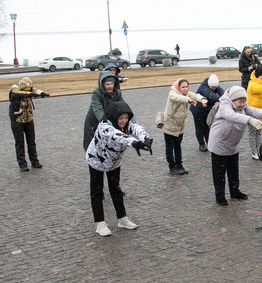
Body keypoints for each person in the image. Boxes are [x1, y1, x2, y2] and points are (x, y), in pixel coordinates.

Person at [86, 100, 153, 236]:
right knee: (97, 192)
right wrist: (134, 142)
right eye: (121, 118)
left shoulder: (127, 125)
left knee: (116, 189)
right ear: (114, 117)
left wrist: (145, 138)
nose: (124, 121)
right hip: (97, 160)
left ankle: (122, 218)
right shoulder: (105, 127)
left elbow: (136, 128)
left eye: (126, 118)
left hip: (114, 163)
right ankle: (100, 223)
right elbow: (117, 136)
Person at [208, 86, 262, 206]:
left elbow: (252, 110)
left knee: (233, 169)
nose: (242, 104)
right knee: (219, 172)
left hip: (233, 143)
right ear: (232, 100)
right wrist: (249, 120)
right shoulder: (225, 105)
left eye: (243, 101)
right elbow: (230, 115)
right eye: (240, 102)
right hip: (219, 142)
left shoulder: (242, 105)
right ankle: (220, 196)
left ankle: (235, 191)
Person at [162, 78, 207, 175]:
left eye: (187, 87)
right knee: (170, 147)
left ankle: (179, 164)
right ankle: (172, 166)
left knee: (178, 146)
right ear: (178, 87)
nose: (185, 89)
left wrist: (202, 99)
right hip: (169, 125)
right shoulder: (172, 94)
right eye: (183, 87)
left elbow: (195, 95)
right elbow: (178, 98)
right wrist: (189, 100)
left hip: (180, 126)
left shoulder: (187, 94)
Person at [9, 77, 50, 171]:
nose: (28, 91)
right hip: (17, 121)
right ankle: (22, 164)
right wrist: (31, 94)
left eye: (29, 89)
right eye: (26, 89)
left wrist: (42, 93)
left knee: (31, 142)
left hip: (28, 120)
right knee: (20, 143)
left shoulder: (29, 90)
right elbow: (19, 93)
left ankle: (35, 161)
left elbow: (35, 90)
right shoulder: (14, 91)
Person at [83, 69, 124, 151]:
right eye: (107, 84)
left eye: (112, 84)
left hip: (108, 120)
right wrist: (104, 121)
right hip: (94, 122)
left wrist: (131, 121)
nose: (110, 86)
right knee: (92, 145)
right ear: (102, 84)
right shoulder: (96, 93)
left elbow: (123, 107)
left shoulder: (117, 93)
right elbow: (98, 109)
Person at [189, 74, 224, 152]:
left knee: (207, 127)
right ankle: (201, 144)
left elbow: (221, 91)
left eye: (215, 87)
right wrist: (219, 99)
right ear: (209, 84)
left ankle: (209, 142)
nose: (214, 89)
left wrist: (225, 97)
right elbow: (209, 94)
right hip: (197, 110)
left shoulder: (214, 86)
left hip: (207, 111)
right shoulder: (203, 87)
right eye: (212, 87)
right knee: (199, 128)